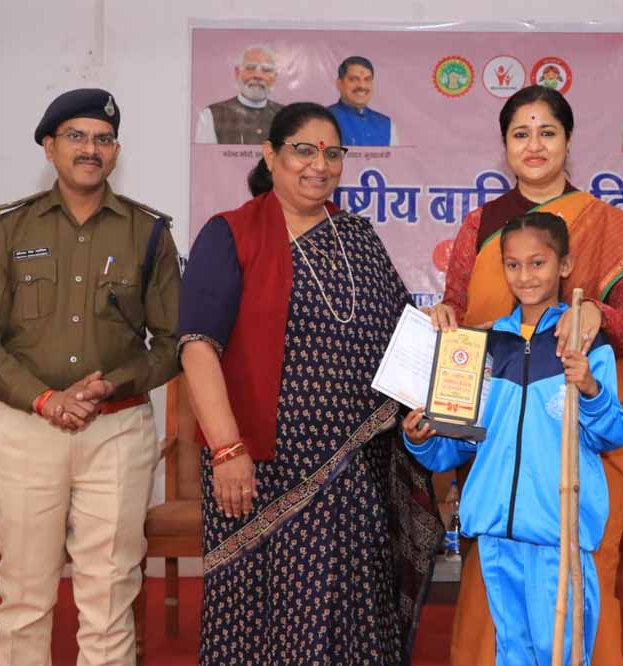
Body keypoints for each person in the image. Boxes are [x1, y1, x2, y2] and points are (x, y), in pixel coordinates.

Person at [427, 84, 623, 665]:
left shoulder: (608, 227)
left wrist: (597, 312)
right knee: (493, 593)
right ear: (504, 145)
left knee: (581, 588)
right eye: (521, 133)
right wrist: (444, 315)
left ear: (569, 141)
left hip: (580, 444)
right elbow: (462, 315)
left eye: (547, 132)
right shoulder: (481, 224)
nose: (534, 144)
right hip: (500, 442)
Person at [178, 101, 440, 665]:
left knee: (352, 614)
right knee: (265, 619)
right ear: (270, 155)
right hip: (260, 470)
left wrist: (438, 330)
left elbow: (402, 338)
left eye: (332, 153)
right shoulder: (230, 234)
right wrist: (227, 450)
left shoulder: (358, 236)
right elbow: (198, 346)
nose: (319, 165)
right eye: (303, 150)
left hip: (357, 472)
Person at [0, 88, 180, 666]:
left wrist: (116, 383)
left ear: (116, 152)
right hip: (26, 432)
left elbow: (173, 344)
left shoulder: (149, 232)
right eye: (76, 137)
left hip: (116, 433)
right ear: (49, 147)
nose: (91, 149)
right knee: (24, 598)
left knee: (109, 599)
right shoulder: (9, 229)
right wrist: (43, 398)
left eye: (103, 139)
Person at [405, 211, 623, 665]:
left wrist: (590, 388)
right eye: (513, 264)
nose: (525, 275)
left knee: (562, 652)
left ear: (564, 266)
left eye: (537, 263)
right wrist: (422, 438)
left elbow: (614, 433)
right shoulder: (486, 346)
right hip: (496, 533)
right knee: (511, 652)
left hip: (558, 532)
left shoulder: (586, 343)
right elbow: (457, 446)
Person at [195, 45, 285, 144]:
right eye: (250, 68)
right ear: (237, 73)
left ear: (275, 76)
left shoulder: (287, 116)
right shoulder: (211, 115)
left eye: (266, 70)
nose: (258, 76)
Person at [327, 56, 399, 146]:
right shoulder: (324, 119)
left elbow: (396, 156)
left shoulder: (387, 125)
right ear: (339, 84)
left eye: (367, 79)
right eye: (354, 79)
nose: (362, 86)